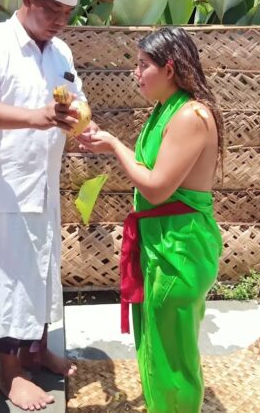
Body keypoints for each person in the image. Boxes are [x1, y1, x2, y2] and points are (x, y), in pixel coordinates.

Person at [0, 0, 97, 411]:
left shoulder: (61, 53)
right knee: (8, 280)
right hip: (2, 189)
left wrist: (83, 128)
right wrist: (35, 118)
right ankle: (9, 375)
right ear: (27, 0)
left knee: (40, 272)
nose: (59, 20)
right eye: (51, 9)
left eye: (67, 12)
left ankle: (37, 351)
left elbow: (74, 100)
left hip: (43, 187)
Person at [78, 27, 224, 413]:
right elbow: (147, 166)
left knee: (172, 354)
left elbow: (157, 187)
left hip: (180, 245)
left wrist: (112, 144)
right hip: (158, 239)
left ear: (170, 68)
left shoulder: (192, 115)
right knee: (155, 341)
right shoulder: (164, 110)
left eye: (143, 65)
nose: (136, 74)